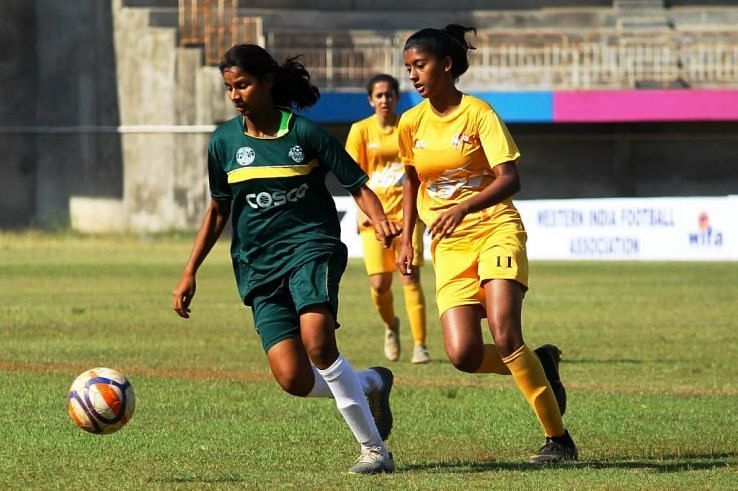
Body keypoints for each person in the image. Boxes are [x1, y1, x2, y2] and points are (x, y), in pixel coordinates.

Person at [171, 44, 399, 474]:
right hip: (258, 264)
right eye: (229, 87)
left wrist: (382, 220)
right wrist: (189, 271)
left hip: (310, 248)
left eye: (243, 84)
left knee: (318, 343)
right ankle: (371, 381)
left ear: (268, 82)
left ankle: (374, 451)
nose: (236, 94)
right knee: (292, 379)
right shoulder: (222, 144)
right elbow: (218, 210)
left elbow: (356, 183)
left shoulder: (305, 134)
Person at [396, 25, 578, 463]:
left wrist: (463, 208)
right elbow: (410, 178)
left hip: (496, 229)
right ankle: (541, 364)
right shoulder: (410, 122)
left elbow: (510, 179)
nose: (413, 76)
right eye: (408, 69)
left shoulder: (479, 113)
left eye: (419, 66)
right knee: (462, 353)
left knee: (504, 332)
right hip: (450, 246)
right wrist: (406, 238)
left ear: (447, 65)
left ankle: (559, 440)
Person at [345, 74, 430, 364]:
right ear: (371, 100)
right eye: (378, 95)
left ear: (396, 98)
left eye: (389, 95)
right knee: (380, 284)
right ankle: (391, 325)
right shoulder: (360, 131)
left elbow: (420, 172)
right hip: (375, 220)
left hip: (407, 217)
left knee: (410, 277)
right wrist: (367, 213)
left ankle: (421, 345)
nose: (384, 100)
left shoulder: (408, 126)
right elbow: (352, 177)